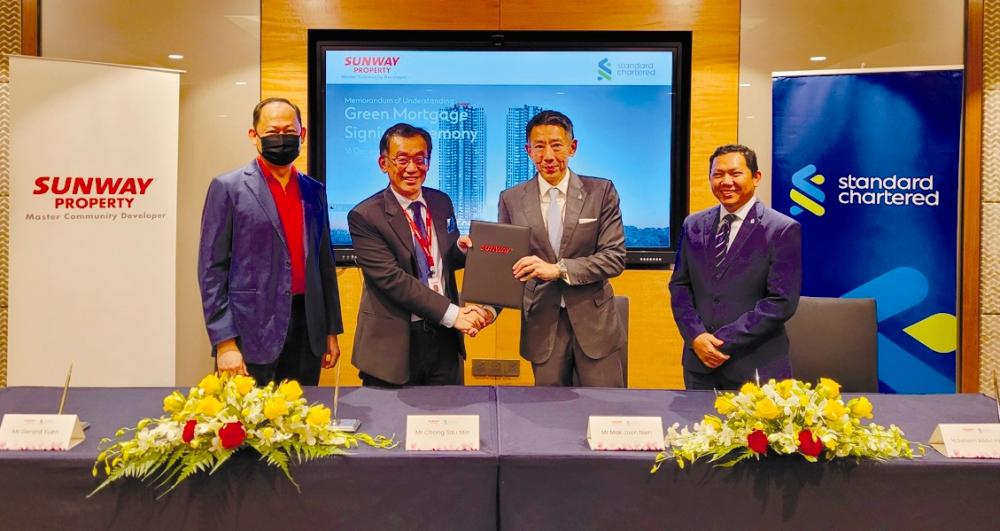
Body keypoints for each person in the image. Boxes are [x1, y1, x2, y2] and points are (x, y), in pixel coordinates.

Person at [198, 97, 343, 386]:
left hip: (307, 329)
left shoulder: (314, 190)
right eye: (274, 131)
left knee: (304, 421)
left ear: (302, 135)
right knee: (251, 425)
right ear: (254, 136)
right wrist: (224, 341)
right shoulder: (228, 188)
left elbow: (323, 264)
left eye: (290, 132)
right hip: (250, 331)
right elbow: (211, 269)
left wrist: (330, 331)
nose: (282, 139)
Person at [348, 123, 493, 387]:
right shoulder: (366, 216)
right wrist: (454, 314)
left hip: (445, 341)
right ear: (384, 163)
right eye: (402, 159)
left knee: (449, 421)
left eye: (420, 159)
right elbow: (392, 280)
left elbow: (441, 262)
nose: (412, 168)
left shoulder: (441, 202)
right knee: (388, 425)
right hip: (393, 344)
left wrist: (461, 250)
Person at [498, 110, 627, 387]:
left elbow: (614, 258)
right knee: (550, 414)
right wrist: (477, 253)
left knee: (605, 410)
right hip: (543, 324)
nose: (548, 155)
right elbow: (506, 264)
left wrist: (558, 270)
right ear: (528, 151)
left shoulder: (601, 192)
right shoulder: (511, 200)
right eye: (539, 146)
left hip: (596, 325)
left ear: (572, 147)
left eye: (556, 145)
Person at [669, 144, 802, 390]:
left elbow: (781, 302)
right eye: (718, 174)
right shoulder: (693, 225)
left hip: (757, 367)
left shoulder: (782, 229)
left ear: (756, 177)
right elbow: (680, 286)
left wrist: (720, 341)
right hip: (700, 365)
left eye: (735, 173)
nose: (726, 181)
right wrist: (696, 336)